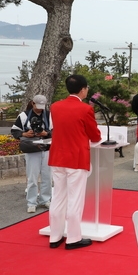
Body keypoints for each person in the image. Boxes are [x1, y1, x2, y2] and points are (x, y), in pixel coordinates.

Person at [48, 74, 102, 250]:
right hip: (76, 158)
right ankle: (73, 238)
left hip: (57, 157)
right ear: (83, 89)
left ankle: (55, 236)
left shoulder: (55, 107)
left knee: (58, 197)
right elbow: (95, 136)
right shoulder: (85, 109)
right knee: (75, 199)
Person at [11, 95, 53, 213]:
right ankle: (31, 202)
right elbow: (14, 130)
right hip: (31, 149)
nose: (39, 109)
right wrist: (25, 134)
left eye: (42, 106)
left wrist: (46, 133)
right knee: (32, 177)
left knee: (47, 176)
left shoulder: (49, 115)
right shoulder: (24, 115)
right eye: (37, 106)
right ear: (33, 104)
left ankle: (45, 200)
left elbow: (55, 131)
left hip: (46, 148)